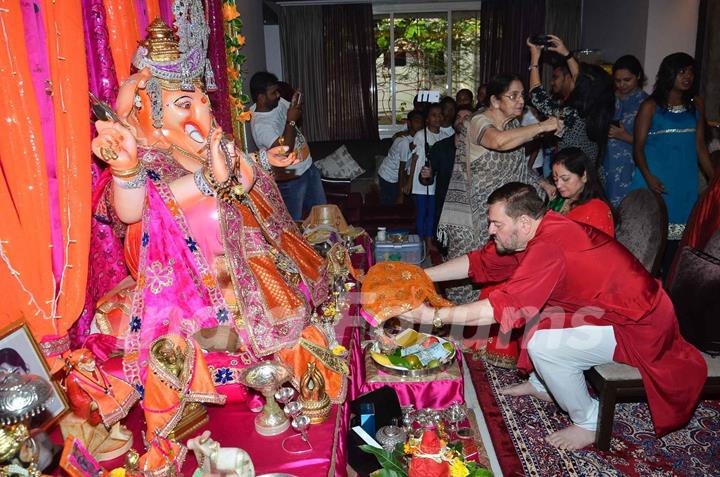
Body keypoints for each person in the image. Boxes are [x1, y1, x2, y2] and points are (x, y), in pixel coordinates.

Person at [89, 11, 329, 386]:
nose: (202, 114)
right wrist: (135, 170)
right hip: (191, 285)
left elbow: (235, 172)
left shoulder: (197, 145)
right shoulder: (144, 157)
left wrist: (264, 160)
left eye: (202, 102)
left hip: (247, 272)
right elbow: (135, 210)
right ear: (148, 110)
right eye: (184, 105)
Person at [400, 182, 706, 450]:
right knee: (541, 313)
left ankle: (590, 421)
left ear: (522, 221)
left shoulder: (549, 247)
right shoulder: (535, 230)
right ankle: (544, 384)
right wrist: (419, 276)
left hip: (638, 325)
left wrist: (434, 315)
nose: (490, 230)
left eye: (495, 223)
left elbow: (502, 308)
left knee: (543, 343)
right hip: (608, 309)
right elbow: (479, 263)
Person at [630, 52, 714, 273]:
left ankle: (670, 293)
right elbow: (637, 148)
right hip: (657, 181)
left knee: (679, 248)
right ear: (669, 74)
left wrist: (715, 180)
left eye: (691, 72)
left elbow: (700, 147)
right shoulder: (651, 106)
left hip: (684, 182)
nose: (688, 77)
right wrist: (648, 177)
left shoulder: (697, 105)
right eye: (682, 72)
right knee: (653, 245)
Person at [249, 71, 327, 220]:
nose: (278, 95)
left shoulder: (275, 103)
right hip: (291, 180)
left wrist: (296, 102)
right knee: (293, 226)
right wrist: (291, 121)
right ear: (261, 98)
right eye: (273, 93)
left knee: (321, 219)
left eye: (277, 91)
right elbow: (285, 151)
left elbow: (290, 109)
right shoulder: (261, 127)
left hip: (308, 167)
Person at [528, 35, 615, 165]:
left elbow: (538, 96)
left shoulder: (573, 115)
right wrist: (566, 54)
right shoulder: (599, 110)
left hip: (574, 177)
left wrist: (534, 59)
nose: (573, 79)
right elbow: (582, 80)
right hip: (592, 178)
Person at [405, 103, 453, 251]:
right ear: (427, 119)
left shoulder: (446, 136)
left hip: (436, 183)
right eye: (433, 115)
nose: (437, 118)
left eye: (440, 115)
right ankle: (420, 242)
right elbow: (414, 159)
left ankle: (430, 239)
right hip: (421, 182)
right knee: (421, 213)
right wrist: (409, 182)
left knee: (433, 213)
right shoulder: (421, 135)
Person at [602, 55, 648, 206]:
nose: (622, 85)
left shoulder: (647, 103)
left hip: (631, 166)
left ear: (638, 76)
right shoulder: (609, 99)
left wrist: (624, 136)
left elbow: (654, 142)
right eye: (617, 80)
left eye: (627, 80)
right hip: (606, 165)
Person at [425, 105, 474, 236]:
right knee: (445, 248)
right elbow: (426, 180)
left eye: (466, 117)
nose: (461, 120)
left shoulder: (480, 147)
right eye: (458, 117)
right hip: (445, 206)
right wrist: (427, 175)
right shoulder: (440, 147)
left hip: (471, 207)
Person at [548, 147, 614, 236]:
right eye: (555, 179)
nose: (558, 185)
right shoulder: (557, 201)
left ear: (584, 176)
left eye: (565, 179)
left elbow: (600, 247)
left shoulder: (597, 210)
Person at [377, 110, 423, 205]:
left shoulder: (417, 138)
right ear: (409, 123)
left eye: (421, 121)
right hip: (388, 176)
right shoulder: (404, 141)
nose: (419, 123)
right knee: (388, 205)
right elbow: (401, 169)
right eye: (416, 120)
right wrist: (401, 195)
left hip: (397, 175)